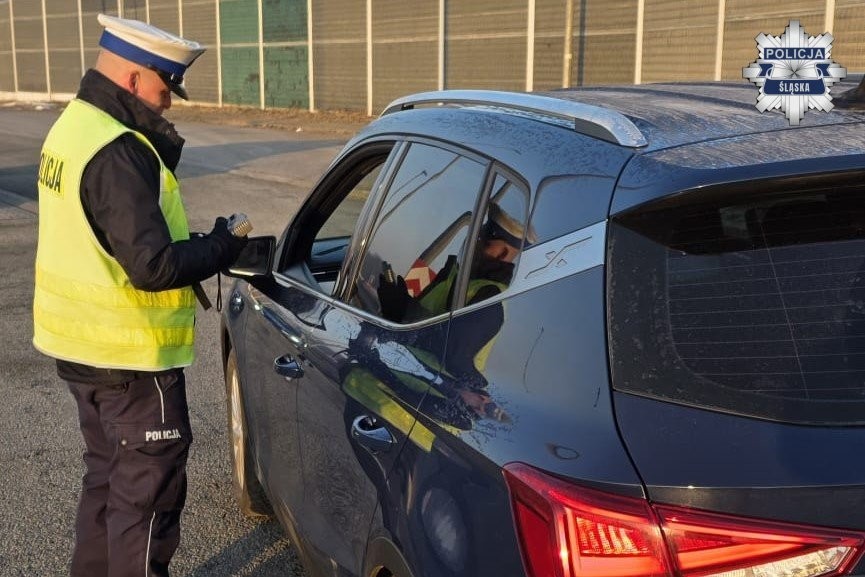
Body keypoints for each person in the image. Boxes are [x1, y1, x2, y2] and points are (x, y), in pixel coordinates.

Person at [31, 14, 247, 577]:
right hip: (132, 359)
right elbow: (151, 265)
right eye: (163, 88)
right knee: (145, 500)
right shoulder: (117, 149)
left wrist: (197, 244)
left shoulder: (73, 126)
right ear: (132, 78)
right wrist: (221, 247)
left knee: (106, 483)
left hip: (81, 350)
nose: (169, 103)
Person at [375, 202, 535, 427]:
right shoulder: (458, 278)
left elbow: (451, 354)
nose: (475, 243)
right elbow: (429, 321)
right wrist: (400, 304)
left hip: (420, 418)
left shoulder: (489, 298)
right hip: (393, 388)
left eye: (484, 240)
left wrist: (402, 307)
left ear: (503, 253)